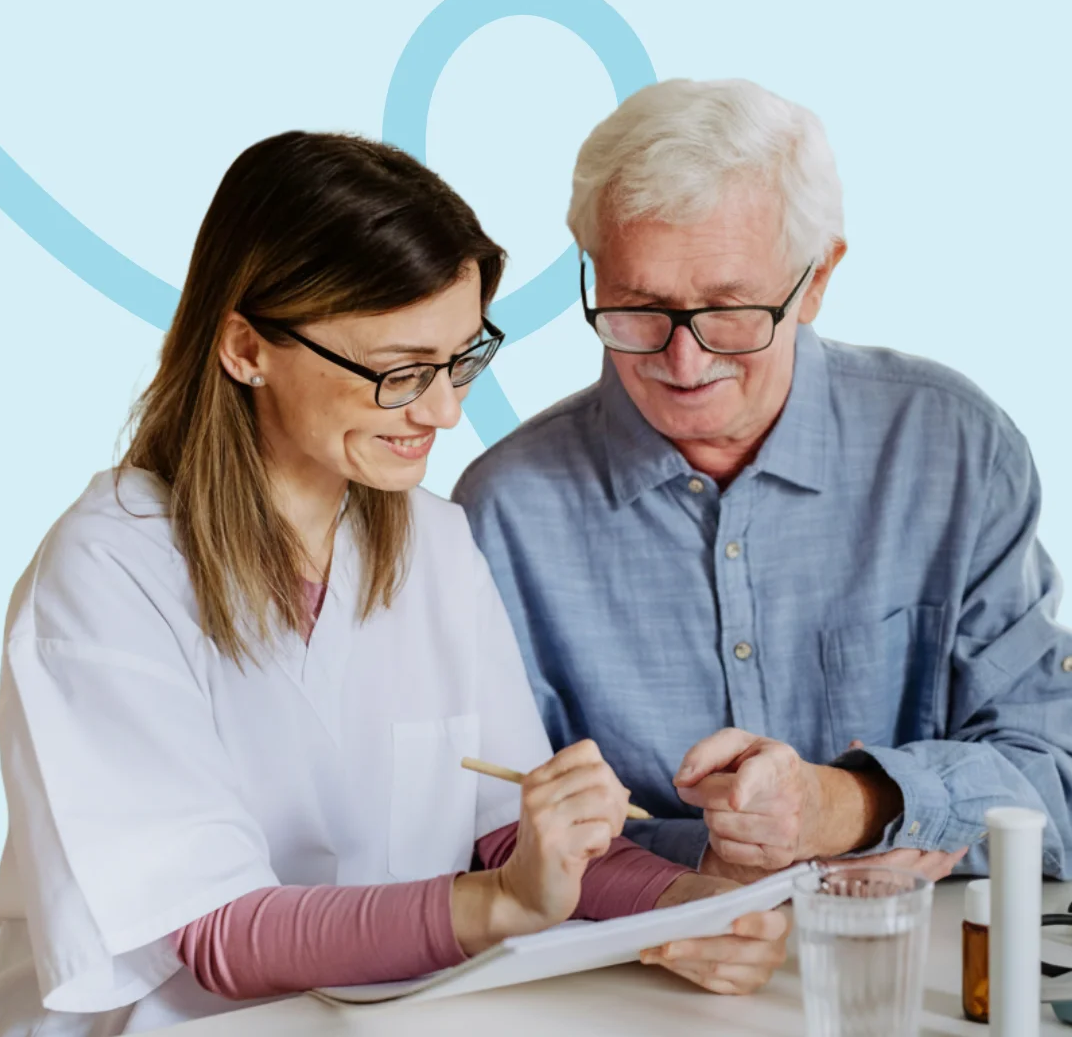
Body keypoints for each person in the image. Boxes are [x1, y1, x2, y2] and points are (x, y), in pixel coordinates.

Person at [0, 132, 791, 1036]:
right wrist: (498, 905)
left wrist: (691, 904)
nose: (446, 412)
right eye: (400, 372)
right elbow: (218, 934)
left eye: (460, 360)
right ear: (247, 347)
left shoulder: (432, 540)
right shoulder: (110, 571)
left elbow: (505, 835)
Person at [453, 78, 1072, 886]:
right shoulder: (504, 511)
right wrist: (700, 863)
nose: (685, 361)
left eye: (730, 308)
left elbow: (1053, 774)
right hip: (631, 988)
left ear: (816, 280)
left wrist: (845, 806)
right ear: (592, 276)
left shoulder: (952, 450)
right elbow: (486, 833)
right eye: (639, 307)